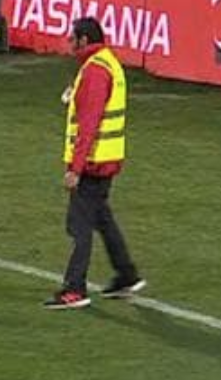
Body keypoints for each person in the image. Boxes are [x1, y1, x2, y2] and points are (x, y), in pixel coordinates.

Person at [44, 17, 146, 310]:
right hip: (106, 158)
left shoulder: (95, 71)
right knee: (101, 217)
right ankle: (126, 274)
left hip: (93, 162)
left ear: (85, 40)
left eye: (72, 38)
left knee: (79, 225)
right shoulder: (104, 63)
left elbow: (89, 123)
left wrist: (75, 168)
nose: (69, 42)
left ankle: (74, 289)